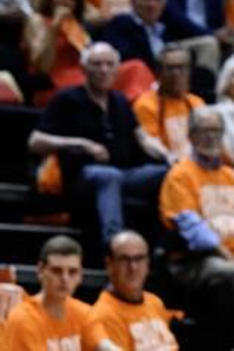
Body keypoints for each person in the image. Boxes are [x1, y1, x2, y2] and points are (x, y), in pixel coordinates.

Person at [159, 106, 234, 349]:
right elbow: (192, 229)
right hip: (195, 261)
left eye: (216, 131)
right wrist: (230, 258)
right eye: (204, 131)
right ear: (191, 136)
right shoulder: (179, 175)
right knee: (228, 273)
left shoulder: (231, 176)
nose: (211, 136)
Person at [28, 43, 170, 246]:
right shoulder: (67, 99)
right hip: (82, 177)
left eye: (109, 64)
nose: (104, 70)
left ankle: (164, 245)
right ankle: (114, 244)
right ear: (84, 68)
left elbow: (143, 138)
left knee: (167, 172)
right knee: (108, 176)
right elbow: (35, 141)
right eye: (97, 64)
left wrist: (168, 156)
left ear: (117, 69)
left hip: (122, 174)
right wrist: (82, 144)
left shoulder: (120, 100)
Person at [86, 230, 179, 350]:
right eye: (124, 259)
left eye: (139, 258)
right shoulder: (103, 316)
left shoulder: (155, 302)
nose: (133, 267)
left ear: (148, 263)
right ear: (109, 264)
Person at [0, 235, 93, 351]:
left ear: (80, 275)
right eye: (56, 271)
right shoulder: (22, 318)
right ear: (40, 270)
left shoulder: (86, 315)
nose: (65, 279)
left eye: (72, 272)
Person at [134, 45, 206, 163]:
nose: (176, 73)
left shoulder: (196, 102)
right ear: (158, 73)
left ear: (189, 71)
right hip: (165, 164)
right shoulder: (145, 104)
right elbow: (151, 143)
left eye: (181, 67)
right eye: (170, 68)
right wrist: (171, 158)